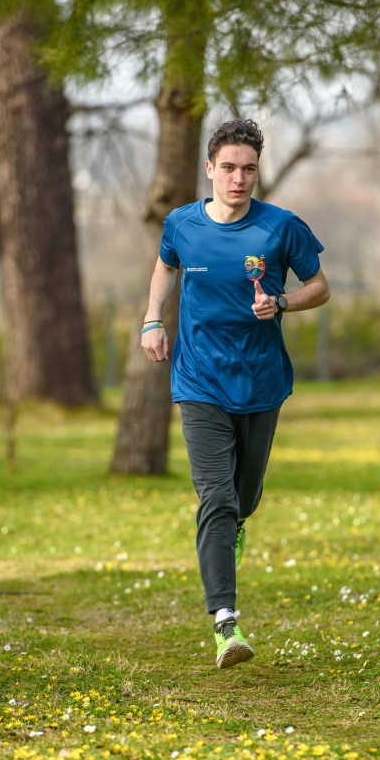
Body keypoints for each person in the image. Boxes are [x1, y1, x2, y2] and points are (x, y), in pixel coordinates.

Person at [141, 118, 330, 669]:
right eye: (228, 167)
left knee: (243, 498)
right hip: (199, 381)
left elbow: (319, 286)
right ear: (209, 169)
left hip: (262, 381)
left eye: (248, 169)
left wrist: (283, 302)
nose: (238, 178)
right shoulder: (182, 224)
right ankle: (226, 623)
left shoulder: (282, 227)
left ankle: (235, 525)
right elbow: (165, 267)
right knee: (216, 497)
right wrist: (152, 318)